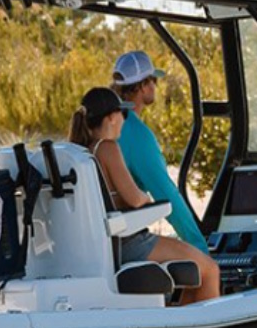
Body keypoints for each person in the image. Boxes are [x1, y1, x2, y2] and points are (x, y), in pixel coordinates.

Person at [70, 86, 220, 303]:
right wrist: (148, 199)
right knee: (210, 269)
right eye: (123, 113)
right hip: (129, 242)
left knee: (196, 275)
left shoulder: (82, 150)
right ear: (111, 118)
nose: (125, 120)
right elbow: (135, 199)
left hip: (106, 245)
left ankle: (183, 323)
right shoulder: (108, 148)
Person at [109, 51, 211, 251]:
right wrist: (200, 247)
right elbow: (167, 196)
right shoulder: (136, 135)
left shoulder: (102, 125)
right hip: (124, 240)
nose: (155, 86)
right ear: (143, 86)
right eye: (153, 81)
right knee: (205, 264)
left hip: (106, 237)